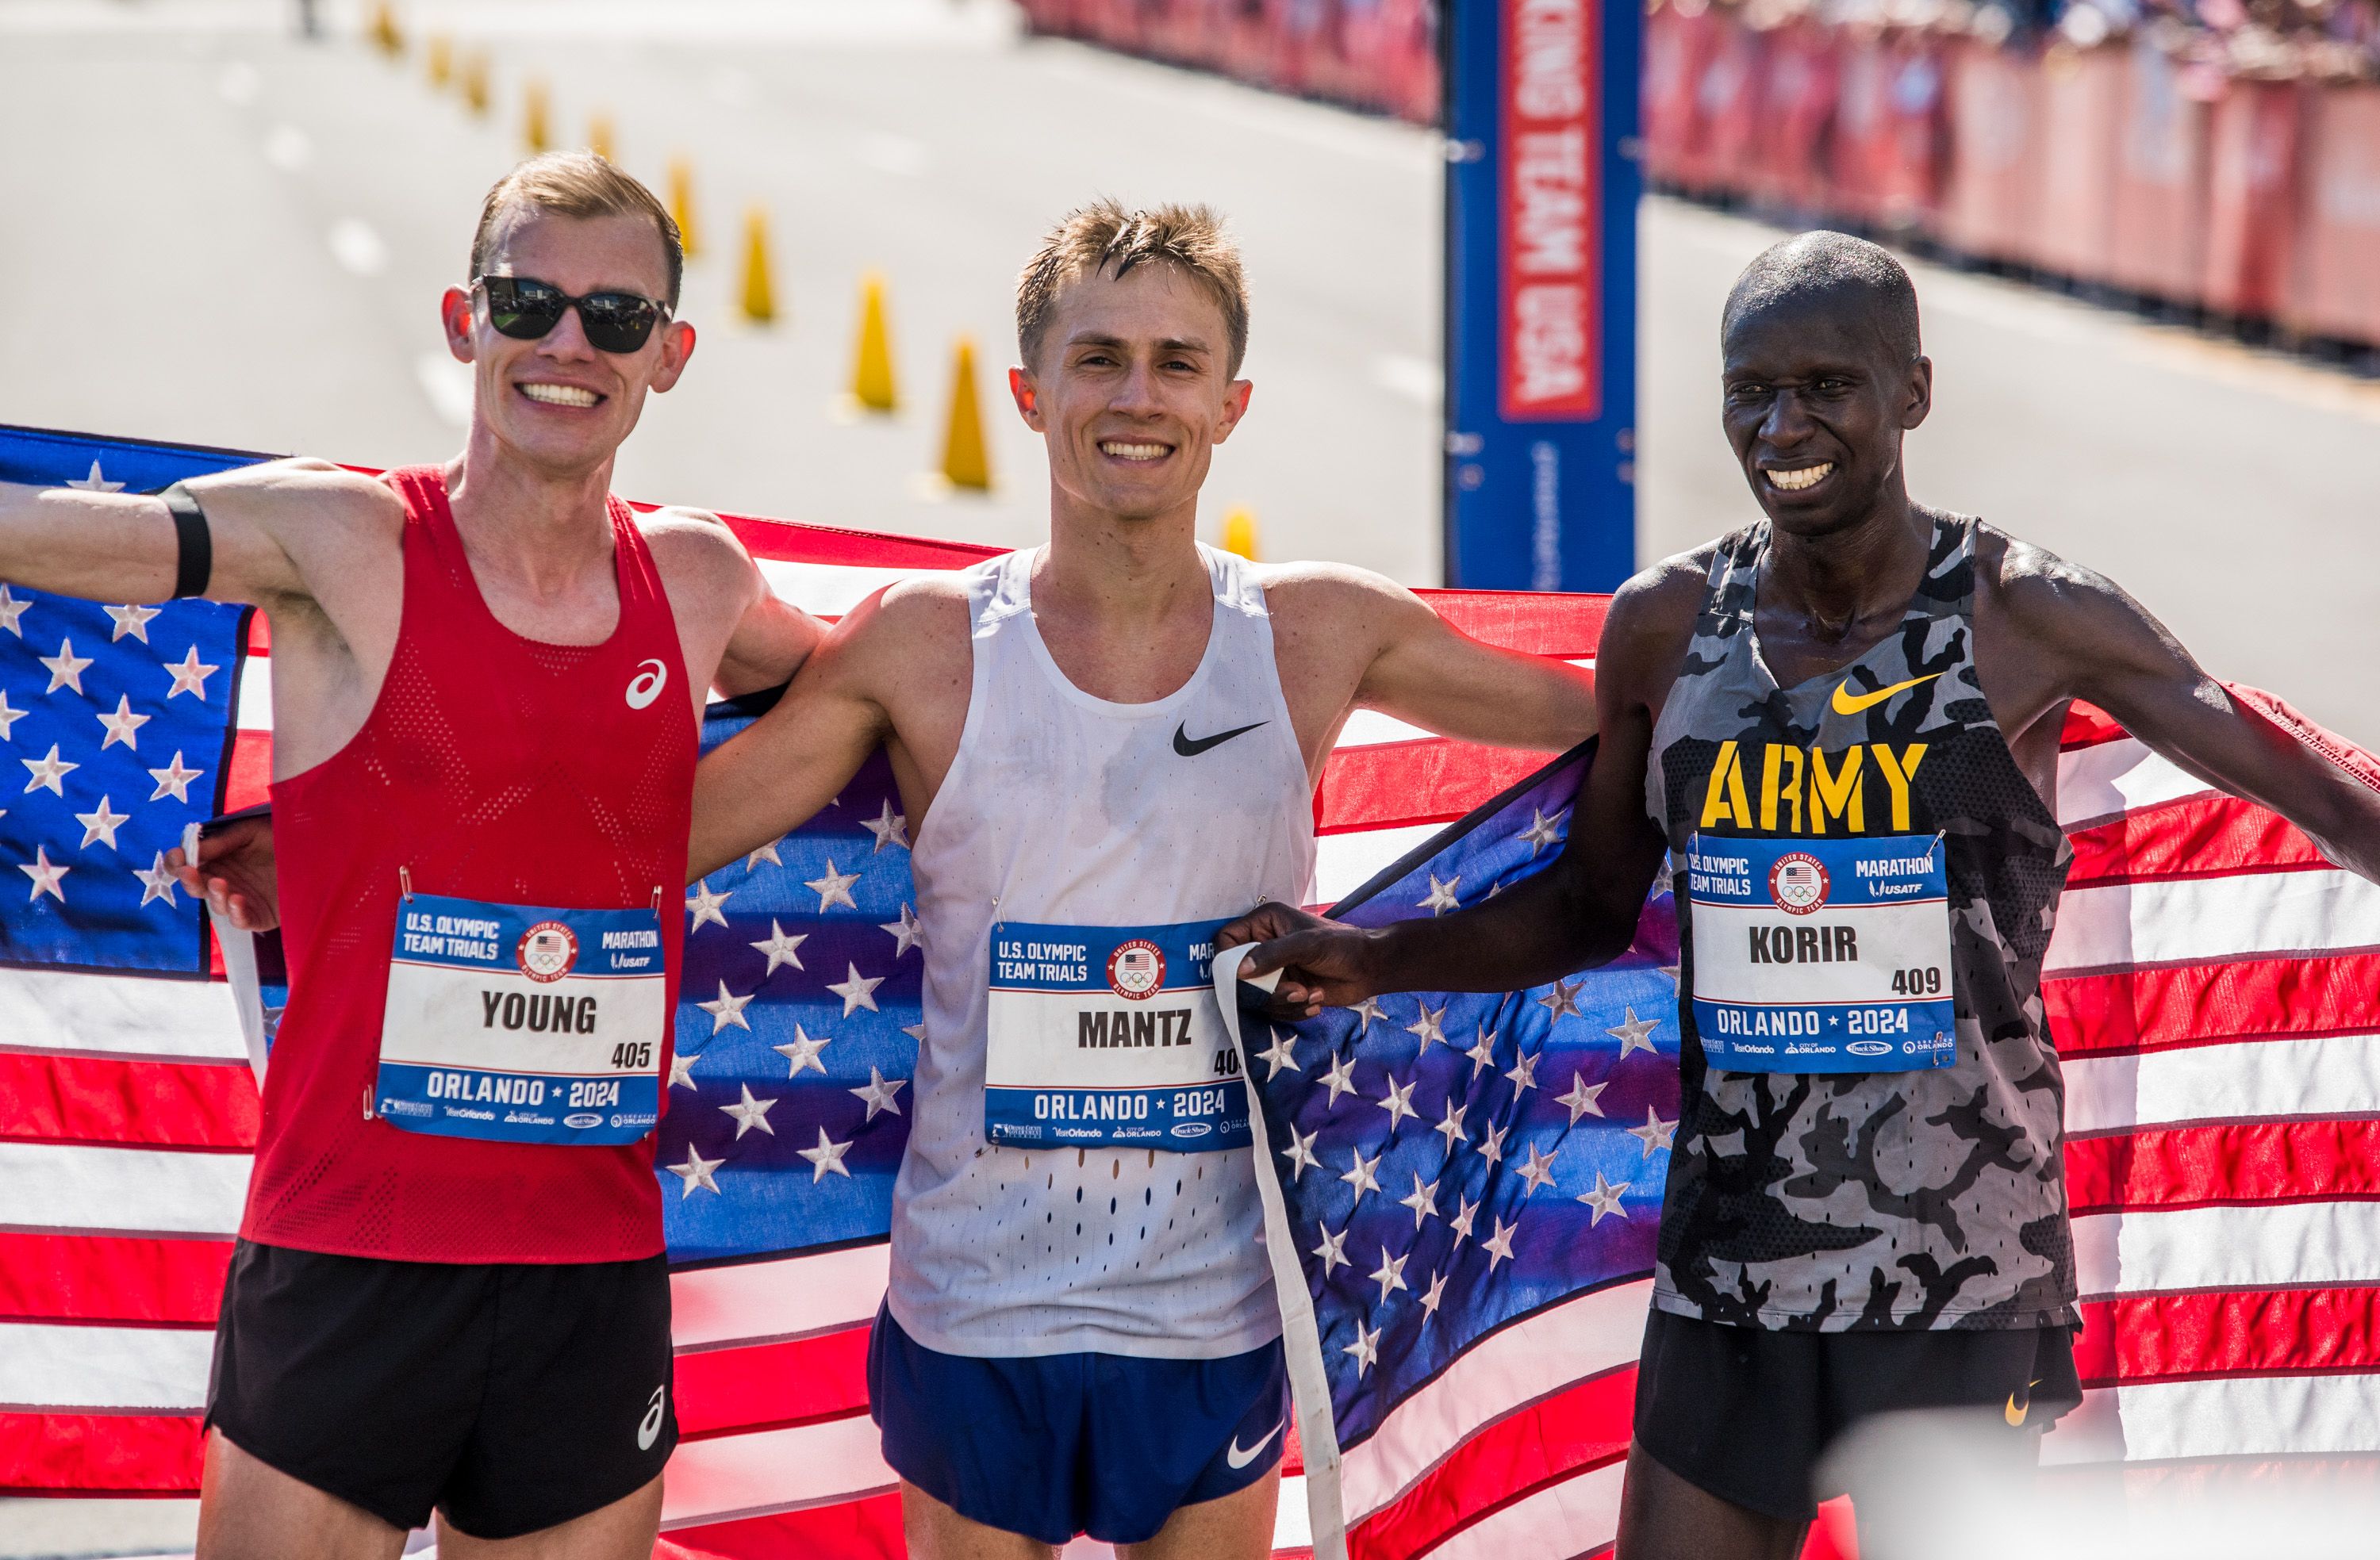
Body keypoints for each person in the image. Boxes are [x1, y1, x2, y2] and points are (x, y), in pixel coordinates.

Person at [1220, 231, 2380, 1560]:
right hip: (1734, 1265)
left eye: (1827, 386)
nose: (1784, 426)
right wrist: (1373, 957)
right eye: (1750, 392)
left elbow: (2310, 786)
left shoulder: (2025, 614)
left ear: (1914, 394)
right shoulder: (1668, 624)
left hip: (1962, 1274)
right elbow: (1591, 908)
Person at [681, 200, 1597, 1559]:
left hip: (1211, 1309)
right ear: (1026, 391)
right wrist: (348, 833)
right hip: (975, 1304)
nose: (1136, 396)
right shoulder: (925, 644)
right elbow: (647, 844)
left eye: (1177, 362)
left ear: (1231, 405)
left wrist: (1888, 688)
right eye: (1098, 357)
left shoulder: (1314, 630)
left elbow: (1609, 720)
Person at [0, 151, 823, 1560]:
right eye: (529, 301)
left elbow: (864, 692)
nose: (568, 344)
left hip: (591, 1273)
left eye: (615, 319)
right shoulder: (344, 535)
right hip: (349, 1255)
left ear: (669, 356)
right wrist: (333, 825)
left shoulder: (697, 578)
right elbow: (87, 540)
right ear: (464, 321)